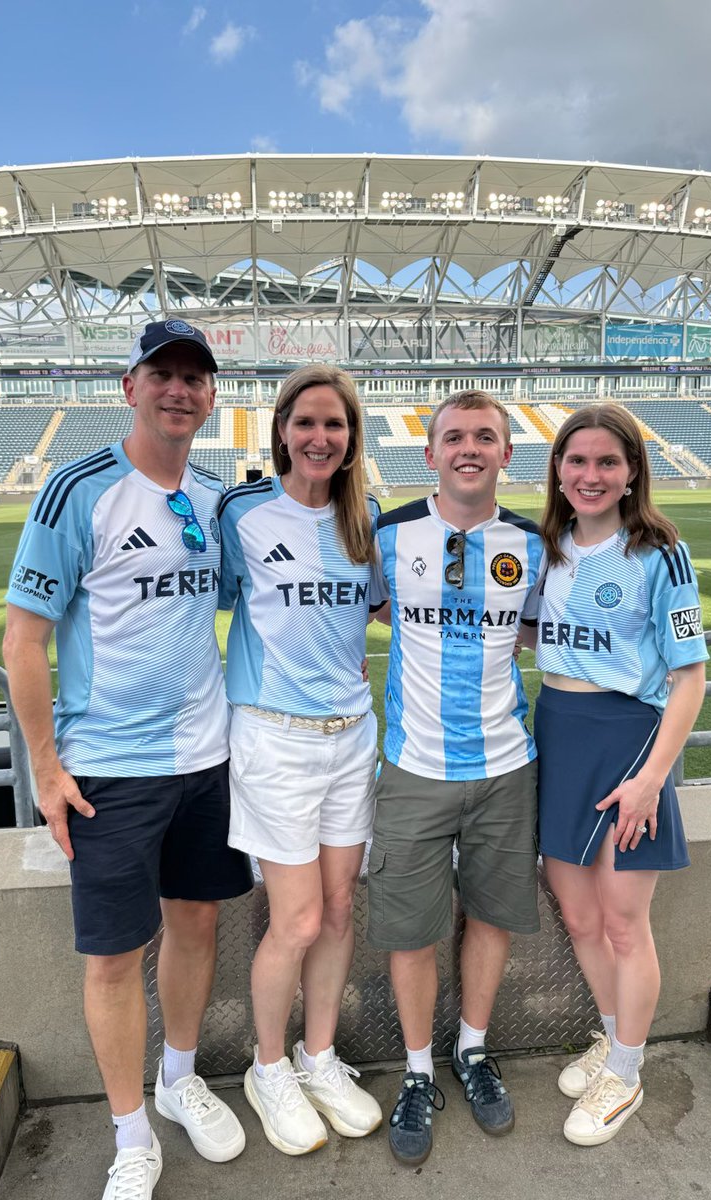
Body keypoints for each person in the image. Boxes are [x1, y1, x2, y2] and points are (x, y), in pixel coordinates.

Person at [3, 320, 253, 1200]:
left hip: (207, 758)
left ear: (212, 396)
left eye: (196, 377)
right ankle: (129, 1133)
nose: (180, 390)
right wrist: (46, 764)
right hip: (108, 768)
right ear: (130, 386)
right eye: (164, 374)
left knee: (197, 924)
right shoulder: (79, 491)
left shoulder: (217, 499)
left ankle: (179, 1081)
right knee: (113, 957)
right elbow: (23, 641)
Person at [369, 390, 543, 1167]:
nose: (469, 448)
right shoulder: (388, 535)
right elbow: (376, 612)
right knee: (410, 928)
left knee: (492, 916)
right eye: (454, 437)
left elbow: (542, 632)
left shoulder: (537, 545)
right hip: (414, 768)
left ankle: (472, 1050)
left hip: (508, 767)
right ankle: (415, 1072)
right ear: (429, 452)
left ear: (508, 453)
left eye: (486, 437)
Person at [218, 365, 383, 1156]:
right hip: (273, 739)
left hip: (351, 736)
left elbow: (387, 611)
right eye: (307, 422)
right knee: (299, 918)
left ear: (353, 439)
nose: (321, 438)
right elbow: (195, 602)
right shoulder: (241, 513)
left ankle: (319, 1058)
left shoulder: (367, 520)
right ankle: (268, 1066)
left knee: (342, 909)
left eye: (337, 425)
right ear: (281, 429)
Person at [534, 402, 708, 1147]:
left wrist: (650, 780)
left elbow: (692, 677)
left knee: (623, 923)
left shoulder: (659, 552)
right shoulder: (544, 544)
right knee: (578, 917)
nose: (591, 474)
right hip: (557, 734)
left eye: (608, 461)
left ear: (633, 470)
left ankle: (629, 1075)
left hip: (629, 743)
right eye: (578, 461)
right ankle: (613, 1039)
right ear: (559, 471)